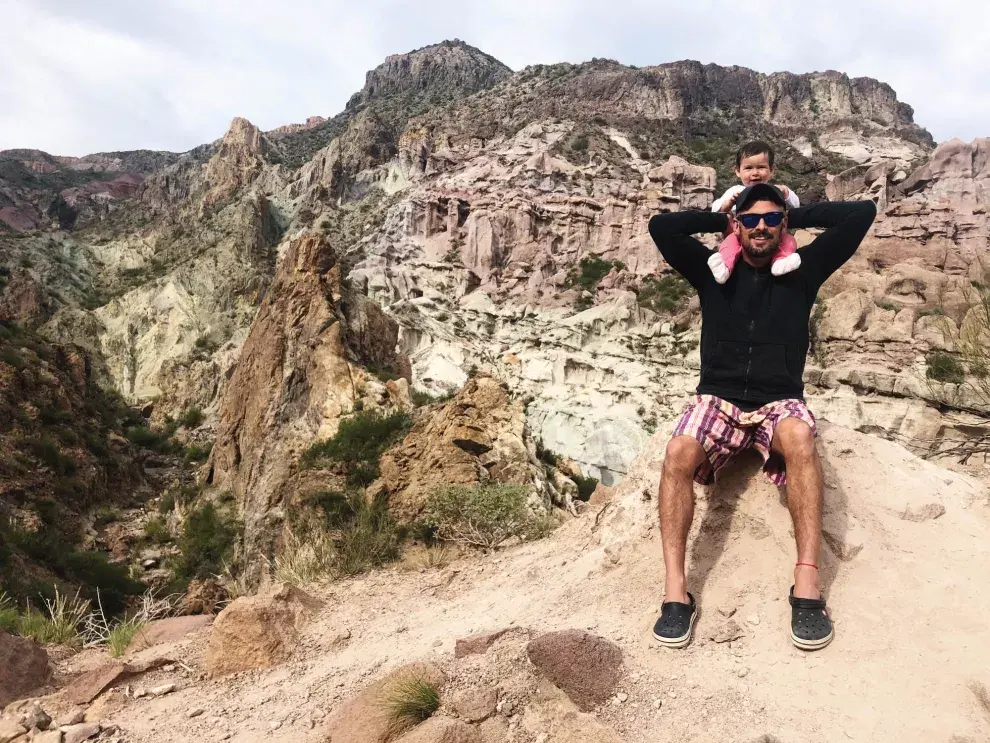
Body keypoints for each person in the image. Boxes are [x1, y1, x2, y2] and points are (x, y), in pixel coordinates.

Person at [647, 184, 876, 650]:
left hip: (779, 399)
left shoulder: (804, 271)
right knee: (677, 453)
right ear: (738, 225)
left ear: (783, 226)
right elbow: (661, 226)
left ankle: (806, 585)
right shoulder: (712, 273)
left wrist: (794, 208)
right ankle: (676, 592)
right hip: (718, 398)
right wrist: (725, 215)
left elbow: (861, 214)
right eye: (751, 221)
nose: (762, 228)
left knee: (800, 439)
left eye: (771, 221)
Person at [708, 141, 801, 284]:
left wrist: (787, 193)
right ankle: (725, 267)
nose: (755, 173)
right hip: (739, 235)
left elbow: (796, 205)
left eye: (761, 167)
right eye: (748, 168)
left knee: (789, 240)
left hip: (773, 237)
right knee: (729, 244)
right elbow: (715, 210)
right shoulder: (735, 191)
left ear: (772, 169)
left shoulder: (775, 191)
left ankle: (780, 262)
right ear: (738, 171)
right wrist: (727, 205)